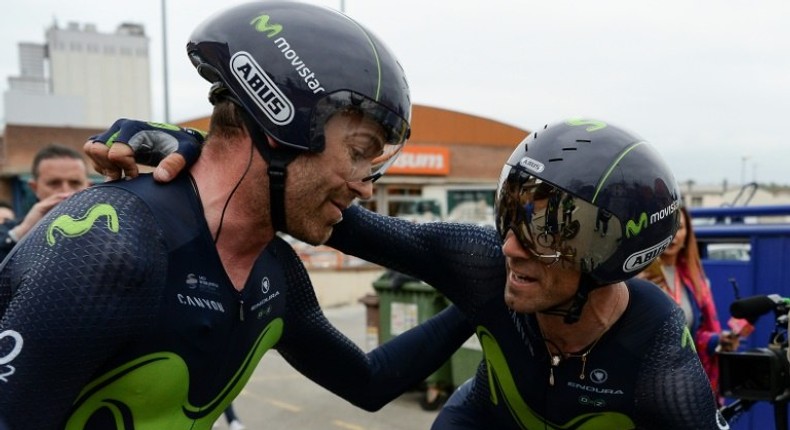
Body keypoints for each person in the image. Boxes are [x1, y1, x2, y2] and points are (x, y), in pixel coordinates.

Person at [0, 2, 473, 429]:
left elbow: (369, 383)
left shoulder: (276, 273)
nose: (367, 185)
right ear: (277, 123)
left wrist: (484, 299)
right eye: (359, 152)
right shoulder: (112, 242)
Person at [89, 118, 730, 429]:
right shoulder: (481, 264)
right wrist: (199, 150)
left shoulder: (655, 347)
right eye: (510, 217)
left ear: (614, 259)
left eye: (546, 233)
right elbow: (320, 209)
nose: (509, 247)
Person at [638, 206, 740, 401]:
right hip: (645, 382)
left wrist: (717, 341)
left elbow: (694, 333)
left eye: (680, 227)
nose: (673, 234)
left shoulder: (695, 281)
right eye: (666, 226)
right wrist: (636, 287)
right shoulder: (635, 276)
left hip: (684, 384)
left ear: (687, 235)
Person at [0, 144, 90, 260]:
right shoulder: (12, 231)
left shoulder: (106, 229)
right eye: (54, 183)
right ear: (34, 188)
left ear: (88, 187)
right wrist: (22, 231)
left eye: (75, 183)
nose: (66, 192)